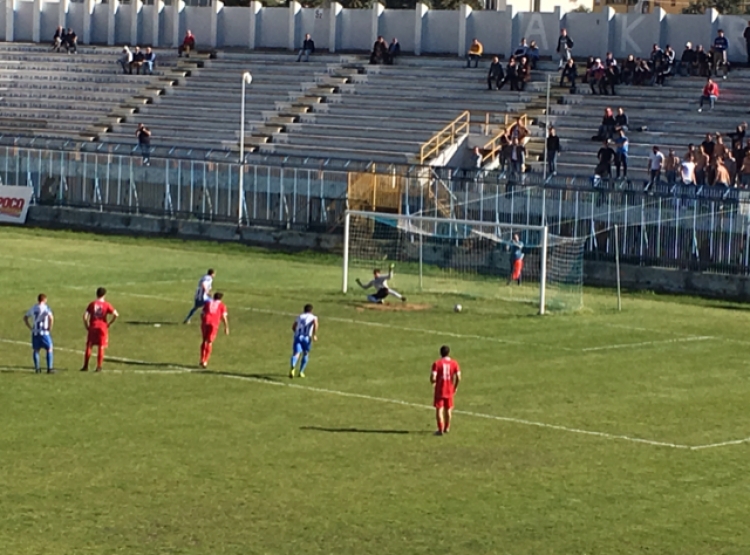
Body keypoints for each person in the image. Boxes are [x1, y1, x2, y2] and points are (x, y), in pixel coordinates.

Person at [81, 287, 118, 372]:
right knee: (101, 347)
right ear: (104, 295)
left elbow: (85, 316)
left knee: (89, 346)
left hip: (93, 326)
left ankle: (85, 366)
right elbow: (116, 314)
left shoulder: (92, 304)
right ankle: (98, 367)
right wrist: (109, 323)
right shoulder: (107, 304)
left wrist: (87, 326)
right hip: (102, 327)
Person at [430, 345, 461, 436]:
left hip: (440, 389)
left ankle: (440, 429)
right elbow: (459, 377)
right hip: (449, 389)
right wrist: (455, 386)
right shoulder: (454, 363)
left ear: (441, 353)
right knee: (448, 409)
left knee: (439, 409)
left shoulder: (437, 363)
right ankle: (447, 427)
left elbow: (433, 377)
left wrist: (433, 382)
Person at [24, 293, 54, 374]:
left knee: (36, 350)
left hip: (35, 332)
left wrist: (30, 327)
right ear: (44, 300)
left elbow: (25, 317)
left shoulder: (33, 308)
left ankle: (37, 368)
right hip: (44, 332)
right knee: (49, 348)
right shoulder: (46, 308)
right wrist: (50, 327)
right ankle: (49, 368)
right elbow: (51, 318)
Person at [199, 292, 229, 368]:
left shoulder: (208, 303)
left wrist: (203, 321)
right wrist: (226, 327)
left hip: (205, 322)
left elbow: (202, 314)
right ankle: (205, 361)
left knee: (204, 340)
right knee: (209, 342)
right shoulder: (222, 306)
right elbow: (224, 317)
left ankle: (202, 359)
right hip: (214, 324)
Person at [289, 304, 318, 379]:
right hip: (306, 338)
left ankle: (293, 366)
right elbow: (315, 323)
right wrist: (314, 334)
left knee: (296, 353)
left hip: (298, 337)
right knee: (305, 353)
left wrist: (296, 332)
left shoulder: (300, 316)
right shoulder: (313, 317)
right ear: (311, 310)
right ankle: (301, 372)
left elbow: (293, 326)